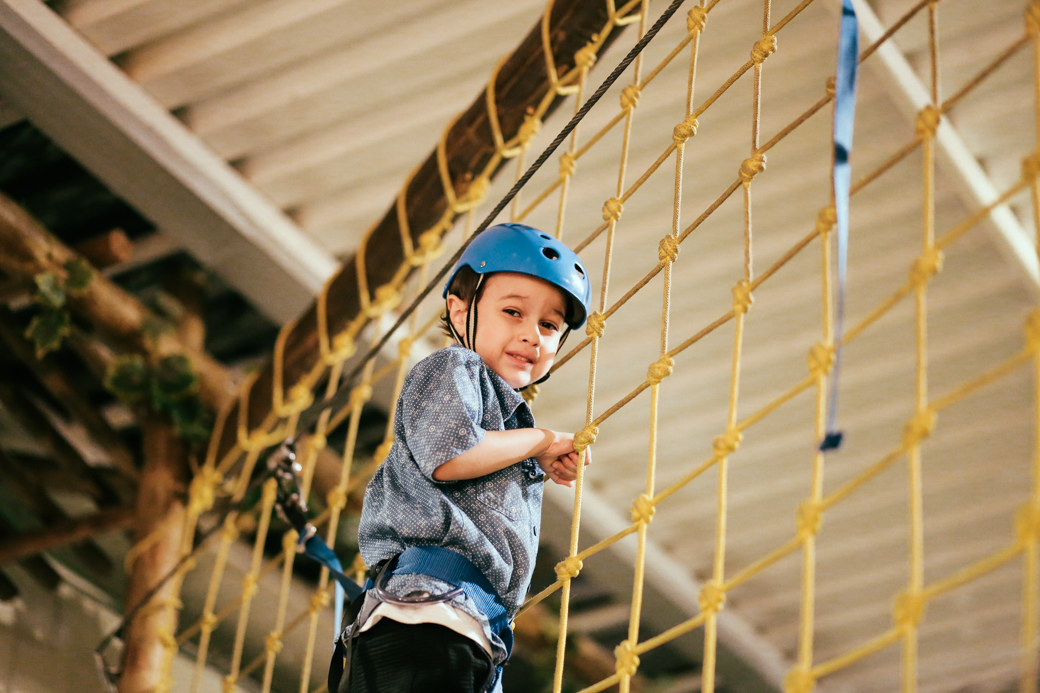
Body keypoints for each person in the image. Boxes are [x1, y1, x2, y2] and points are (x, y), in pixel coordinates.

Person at [340, 223, 593, 693]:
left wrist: (533, 463)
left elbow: (475, 465)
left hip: (470, 628)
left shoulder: (504, 414)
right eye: (513, 311)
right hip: (429, 614)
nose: (531, 335)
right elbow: (452, 457)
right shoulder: (454, 367)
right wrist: (540, 441)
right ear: (460, 310)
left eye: (549, 325)